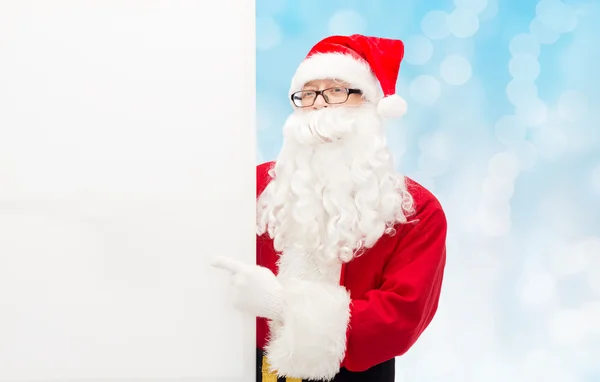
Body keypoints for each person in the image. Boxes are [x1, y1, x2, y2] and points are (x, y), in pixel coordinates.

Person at [212, 34, 447, 382]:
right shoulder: (254, 188)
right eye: (308, 94)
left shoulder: (415, 210)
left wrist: (282, 304)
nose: (319, 104)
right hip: (247, 369)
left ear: (370, 105)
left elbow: (401, 319)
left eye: (337, 90)